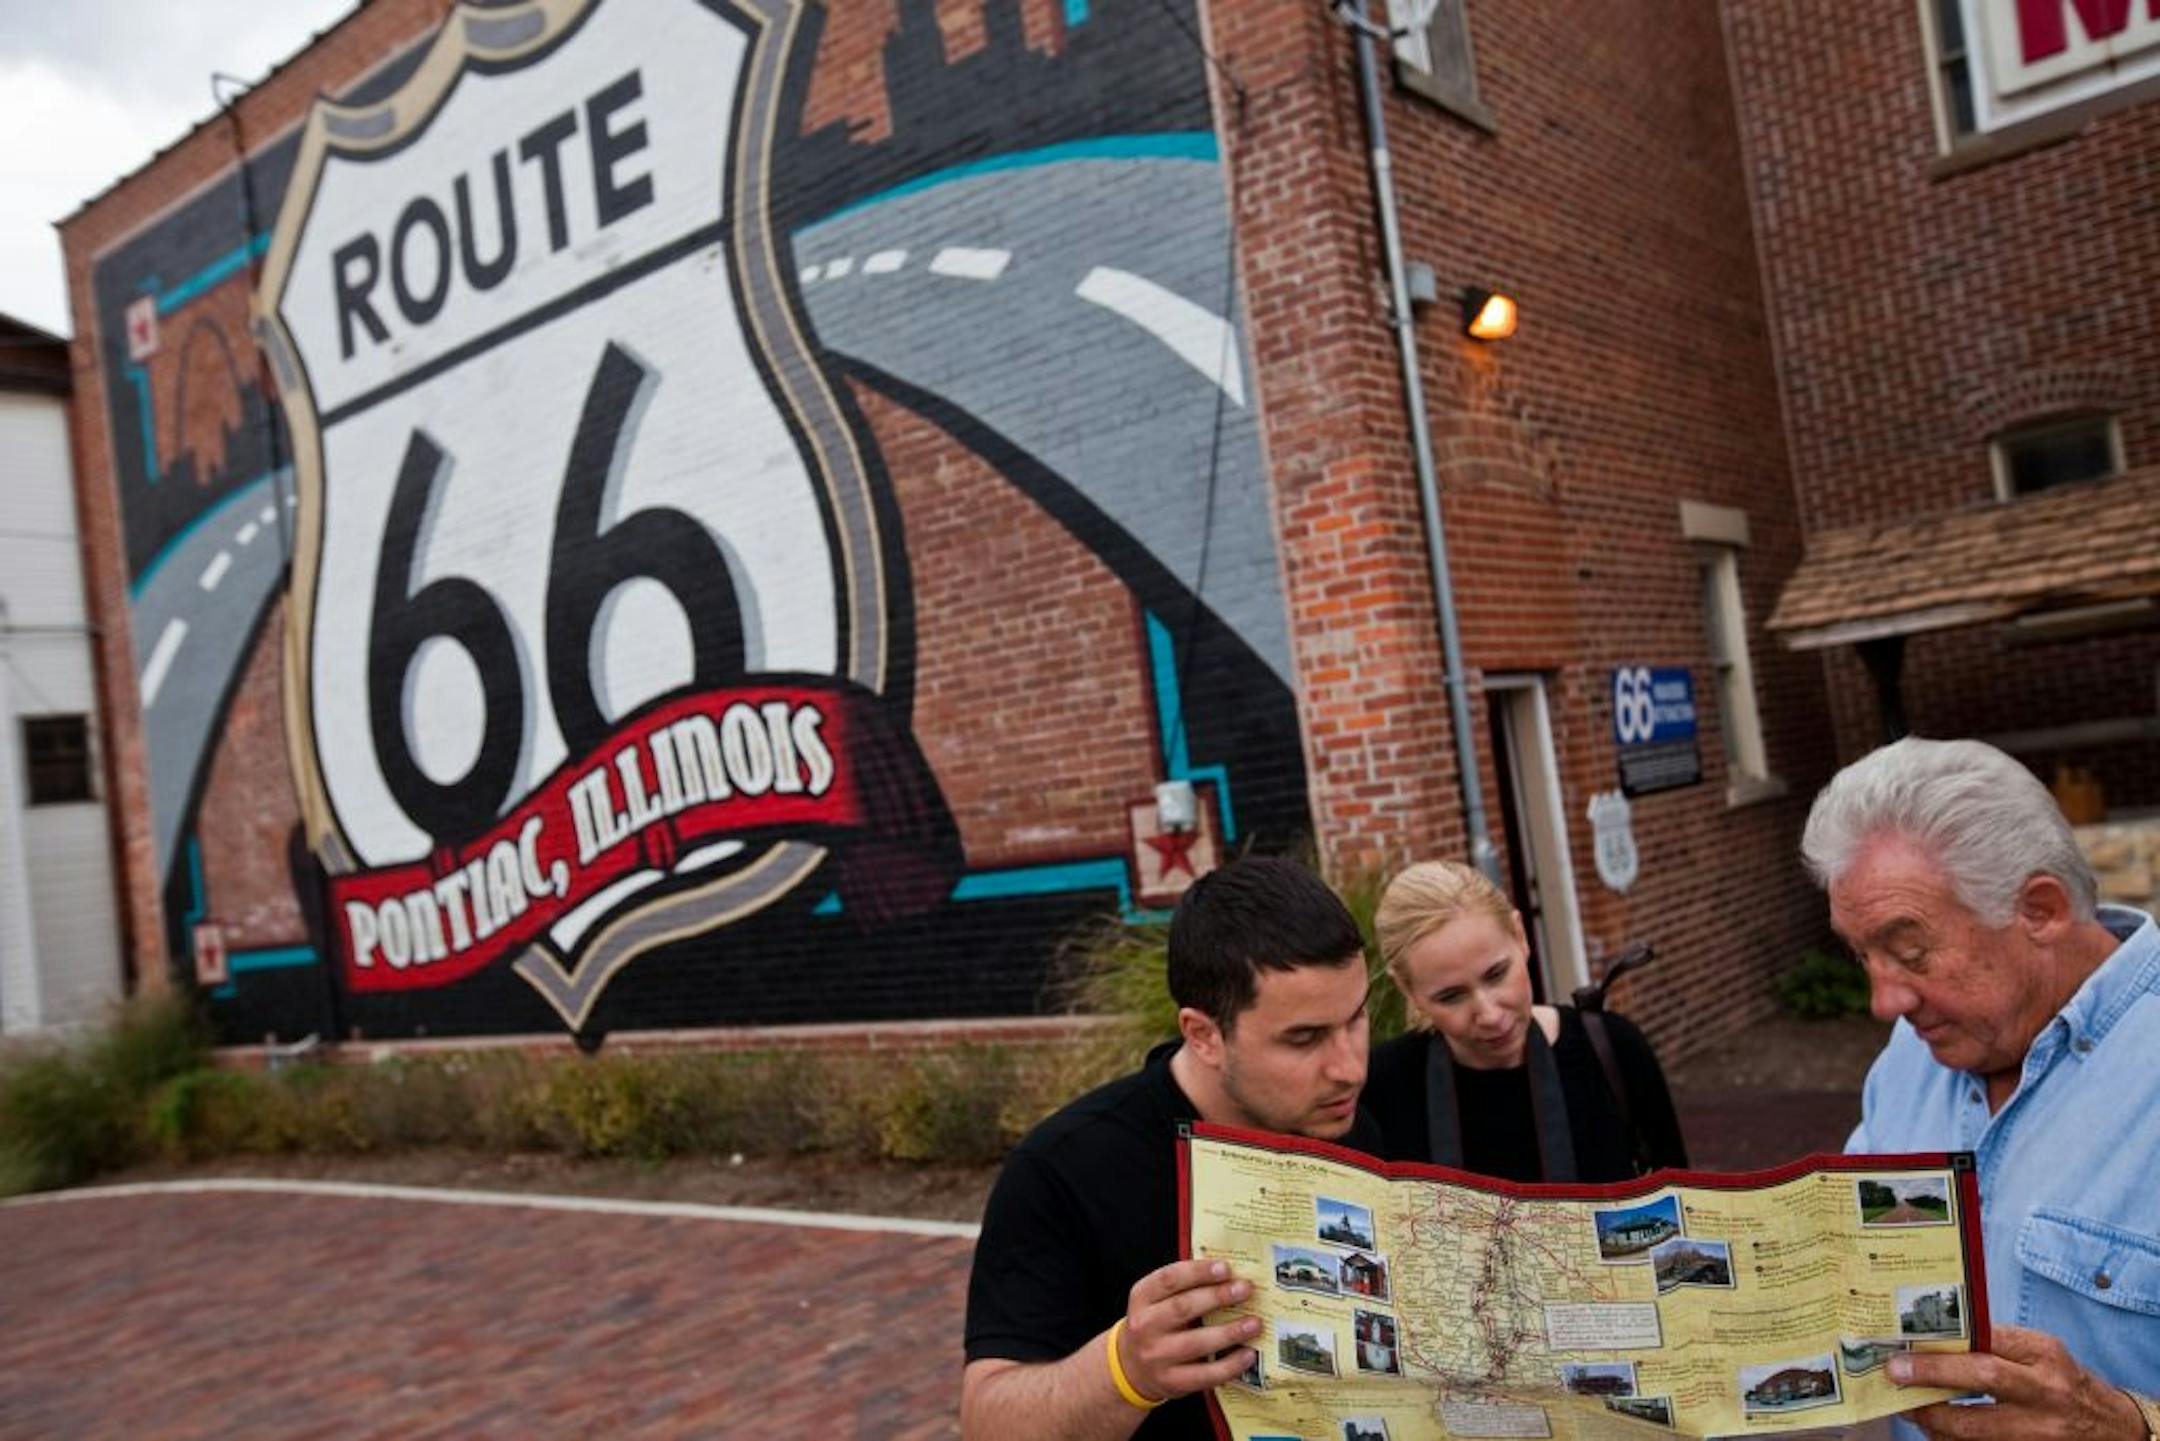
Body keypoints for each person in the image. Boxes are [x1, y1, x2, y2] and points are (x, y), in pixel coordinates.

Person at [1805, 737, 2160, 1439]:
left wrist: (2128, 1425)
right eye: (1861, 955)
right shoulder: (1913, 1049)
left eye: (1911, 951)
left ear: (2041, 909)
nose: (1883, 1001)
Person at [960, 855, 1377, 1439]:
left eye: (1357, 1018)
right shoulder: (1063, 1169)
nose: (1349, 1067)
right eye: (1303, 1039)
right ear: (1204, 1035)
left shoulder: (1361, 1112)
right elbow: (987, 1422)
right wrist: (1124, 1370)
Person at [1363, 860, 1686, 1182]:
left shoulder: (1613, 1050)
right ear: (1407, 989)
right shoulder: (1381, 1086)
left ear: (1520, 936)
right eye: (1451, 997)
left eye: (1497, 974)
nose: (1489, 1015)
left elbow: (1687, 1210)